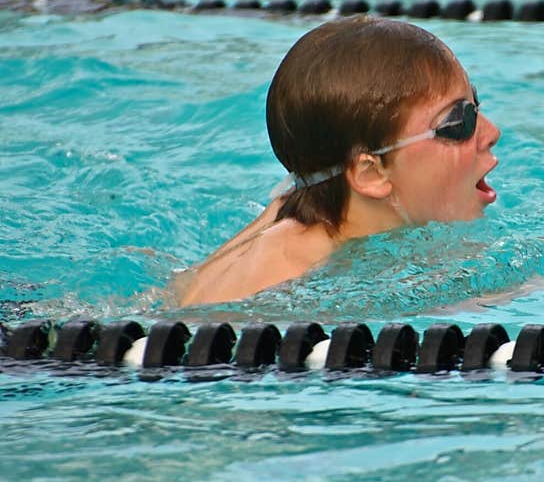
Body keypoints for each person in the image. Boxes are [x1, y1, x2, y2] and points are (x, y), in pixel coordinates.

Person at [175, 15, 501, 307]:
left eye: (477, 104)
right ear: (370, 173)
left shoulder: (304, 209)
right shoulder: (284, 287)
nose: (492, 132)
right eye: (459, 123)